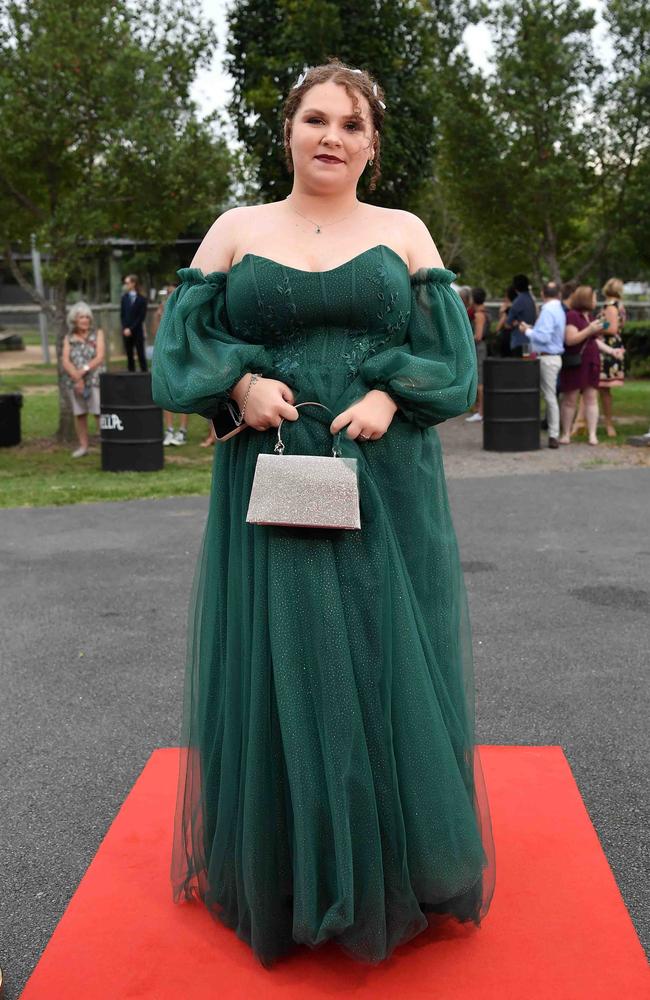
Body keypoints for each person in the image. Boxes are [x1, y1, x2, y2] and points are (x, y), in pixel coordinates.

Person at [152, 60, 495, 969]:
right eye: (315, 119)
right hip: (272, 469)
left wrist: (391, 394)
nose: (331, 136)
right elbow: (177, 351)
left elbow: (452, 366)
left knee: (386, 654)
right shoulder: (237, 228)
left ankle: (405, 869)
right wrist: (243, 381)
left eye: (350, 123)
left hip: (386, 470)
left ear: (372, 145)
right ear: (290, 132)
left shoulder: (405, 230)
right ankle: (293, 873)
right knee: (288, 659)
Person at [518, 281, 565, 448]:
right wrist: (534, 329)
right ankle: (552, 433)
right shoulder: (559, 309)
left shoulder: (547, 310)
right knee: (550, 396)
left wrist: (527, 331)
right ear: (558, 294)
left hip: (546, 358)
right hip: (553, 357)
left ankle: (552, 434)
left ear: (543, 293)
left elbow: (543, 338)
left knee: (548, 396)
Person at [558, 285, 604, 446]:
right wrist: (589, 330)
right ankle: (566, 433)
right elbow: (571, 339)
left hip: (591, 361)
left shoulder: (590, 317)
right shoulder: (572, 316)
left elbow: (595, 340)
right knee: (570, 398)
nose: (595, 301)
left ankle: (592, 434)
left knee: (591, 398)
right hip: (576, 362)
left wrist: (612, 350)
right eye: (593, 298)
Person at [61, 302, 106, 458]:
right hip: (75, 382)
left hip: (95, 379)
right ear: (74, 320)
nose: (85, 320)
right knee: (80, 414)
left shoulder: (97, 333)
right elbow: (65, 360)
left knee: (99, 412)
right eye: (81, 317)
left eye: (87, 317)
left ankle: (106, 444)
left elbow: (100, 357)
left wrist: (83, 370)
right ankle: (83, 446)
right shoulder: (69, 338)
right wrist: (76, 376)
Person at [154, 284, 189, 445]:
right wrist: (159, 316)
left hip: (181, 355)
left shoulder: (184, 308)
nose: (168, 295)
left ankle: (182, 430)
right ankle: (169, 430)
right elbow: (156, 333)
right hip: (165, 355)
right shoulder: (161, 311)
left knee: (182, 394)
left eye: (170, 292)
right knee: (166, 393)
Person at [597, 277, 627, 437]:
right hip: (615, 346)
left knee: (603, 389)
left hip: (607, 349)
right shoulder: (620, 306)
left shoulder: (610, 306)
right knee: (602, 389)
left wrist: (595, 328)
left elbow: (612, 328)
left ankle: (608, 424)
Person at [466, 287, 489, 423]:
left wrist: (466, 338)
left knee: (480, 381)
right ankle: (478, 409)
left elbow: (478, 336)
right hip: (479, 348)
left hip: (479, 348)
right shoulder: (483, 311)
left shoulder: (480, 314)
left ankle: (481, 412)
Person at [120, 274, 148, 372]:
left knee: (140, 354)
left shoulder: (142, 299)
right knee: (129, 354)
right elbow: (122, 315)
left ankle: (145, 375)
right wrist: (125, 328)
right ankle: (131, 375)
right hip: (126, 331)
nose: (126, 285)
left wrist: (131, 328)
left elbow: (141, 317)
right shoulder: (124, 298)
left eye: (128, 283)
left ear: (133, 283)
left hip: (137, 331)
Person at [504, 274, 537, 357]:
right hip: (530, 342)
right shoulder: (531, 299)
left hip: (519, 342)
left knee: (519, 368)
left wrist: (514, 323)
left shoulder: (517, 302)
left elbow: (507, 324)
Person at [495, 284, 516, 357]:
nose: (504, 298)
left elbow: (498, 326)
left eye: (506, 296)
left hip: (507, 336)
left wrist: (501, 311)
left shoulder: (508, 308)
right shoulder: (517, 307)